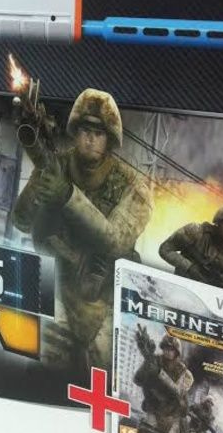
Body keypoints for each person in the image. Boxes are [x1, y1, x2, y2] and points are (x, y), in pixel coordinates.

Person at [14, 89, 152, 373]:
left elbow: (115, 240)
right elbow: (21, 221)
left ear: (109, 139)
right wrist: (40, 186)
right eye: (85, 130)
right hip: (59, 285)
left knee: (104, 374)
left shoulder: (132, 184)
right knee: (47, 370)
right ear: (75, 132)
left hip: (106, 294)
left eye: (98, 133)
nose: (90, 138)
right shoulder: (59, 165)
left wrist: (67, 196)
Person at [158, 203, 223, 291]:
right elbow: (165, 249)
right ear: (218, 222)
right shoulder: (195, 232)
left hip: (207, 296)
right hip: (180, 287)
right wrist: (189, 267)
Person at [133, 329, 194, 433]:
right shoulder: (155, 360)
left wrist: (159, 373)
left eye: (171, 349)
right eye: (165, 348)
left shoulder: (183, 371)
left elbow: (178, 392)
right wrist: (148, 361)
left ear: (176, 352)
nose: (168, 351)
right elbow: (138, 379)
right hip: (154, 409)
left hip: (171, 414)